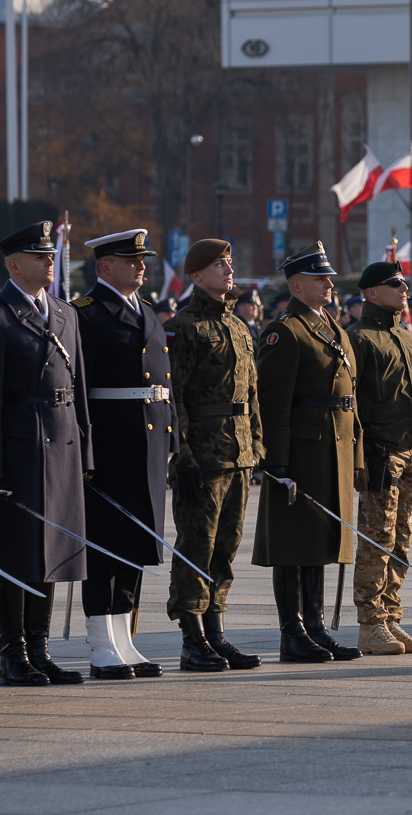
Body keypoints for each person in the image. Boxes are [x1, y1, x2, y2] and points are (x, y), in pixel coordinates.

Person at [0, 222, 92, 687]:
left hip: (62, 440)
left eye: (50, 255)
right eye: (40, 256)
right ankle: (14, 654)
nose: (49, 261)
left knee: (54, 551)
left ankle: (40, 649)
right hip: (21, 446)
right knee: (19, 554)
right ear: (14, 265)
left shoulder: (65, 313)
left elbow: (78, 389)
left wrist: (85, 451)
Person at [72, 230, 177, 680]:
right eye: (131, 260)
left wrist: (171, 441)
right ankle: (101, 646)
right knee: (104, 548)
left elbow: (163, 383)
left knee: (134, 545)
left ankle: (124, 640)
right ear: (105, 267)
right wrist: (84, 451)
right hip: (109, 448)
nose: (141, 265)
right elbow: (79, 389)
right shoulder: (87, 314)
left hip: (147, 444)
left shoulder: (146, 311)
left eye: (142, 259)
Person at [252, 241, 363, 664]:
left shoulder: (333, 327)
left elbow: (351, 398)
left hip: (334, 447)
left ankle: (315, 626)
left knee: (319, 541)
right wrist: (276, 462)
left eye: (329, 277)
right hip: (302, 450)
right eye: (321, 278)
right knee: (293, 543)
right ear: (296, 285)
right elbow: (273, 402)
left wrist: (357, 457)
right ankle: (292, 632)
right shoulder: (285, 331)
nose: (330, 284)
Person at [164, 239, 264, 672]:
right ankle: (192, 638)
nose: (228, 269)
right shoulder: (183, 327)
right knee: (197, 545)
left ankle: (216, 633)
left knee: (226, 546)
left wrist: (257, 445)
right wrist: (182, 456)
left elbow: (251, 394)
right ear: (196, 275)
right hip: (203, 457)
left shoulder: (239, 326)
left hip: (238, 454)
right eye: (219, 264)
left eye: (229, 262)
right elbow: (174, 397)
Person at [346, 259, 412, 655]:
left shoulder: (410, 340)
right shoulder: (359, 338)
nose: (405, 290)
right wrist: (359, 454)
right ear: (371, 293)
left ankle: (390, 616)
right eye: (395, 284)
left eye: (403, 284)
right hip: (380, 453)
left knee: (400, 540)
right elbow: (350, 401)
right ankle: (371, 624)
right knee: (376, 540)